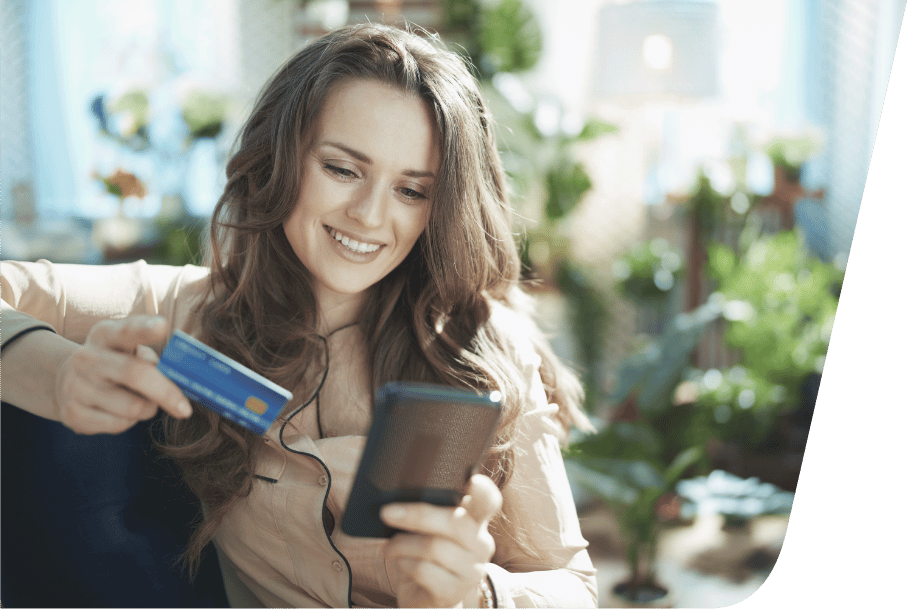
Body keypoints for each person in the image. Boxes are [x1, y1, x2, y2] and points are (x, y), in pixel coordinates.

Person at [1, 23, 598, 608]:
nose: (368, 215)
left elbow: (574, 588)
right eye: (342, 169)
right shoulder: (191, 311)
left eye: (412, 191)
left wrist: (475, 596)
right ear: (279, 159)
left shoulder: (481, 353)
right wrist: (56, 376)